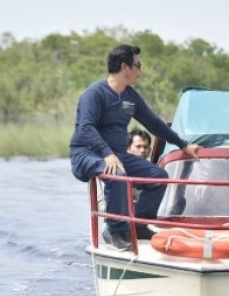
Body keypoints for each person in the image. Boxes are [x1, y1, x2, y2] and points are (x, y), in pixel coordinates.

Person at [70, 44, 201, 250]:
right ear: (125, 67)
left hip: (118, 155)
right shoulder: (95, 93)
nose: (140, 70)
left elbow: (154, 124)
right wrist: (107, 154)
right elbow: (85, 128)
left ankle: (139, 225)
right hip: (87, 153)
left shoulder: (131, 96)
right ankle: (116, 231)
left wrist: (183, 145)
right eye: (137, 65)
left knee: (158, 177)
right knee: (118, 174)